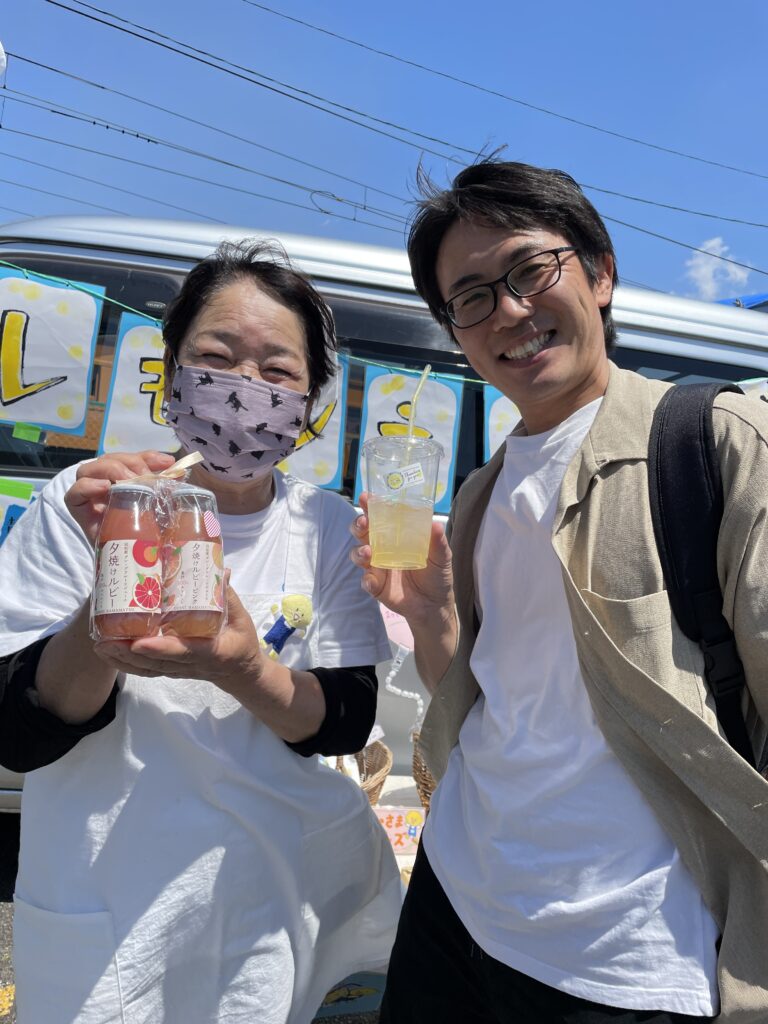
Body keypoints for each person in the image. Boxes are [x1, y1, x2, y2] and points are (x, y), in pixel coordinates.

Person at [351, 159, 768, 1023]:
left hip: (626, 953)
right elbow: (491, 698)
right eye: (470, 298)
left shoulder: (715, 443)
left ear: (600, 272)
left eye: (530, 271)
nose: (508, 310)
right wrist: (429, 613)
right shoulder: (480, 493)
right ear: (455, 332)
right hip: (456, 893)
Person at [0, 240, 402, 1024]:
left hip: (274, 897)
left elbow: (345, 720)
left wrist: (243, 666)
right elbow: (17, 730)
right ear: (171, 370)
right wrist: (105, 607)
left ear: (310, 402)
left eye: (278, 372)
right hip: (103, 901)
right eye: (216, 359)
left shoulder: (326, 528)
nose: (245, 389)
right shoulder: (86, 503)